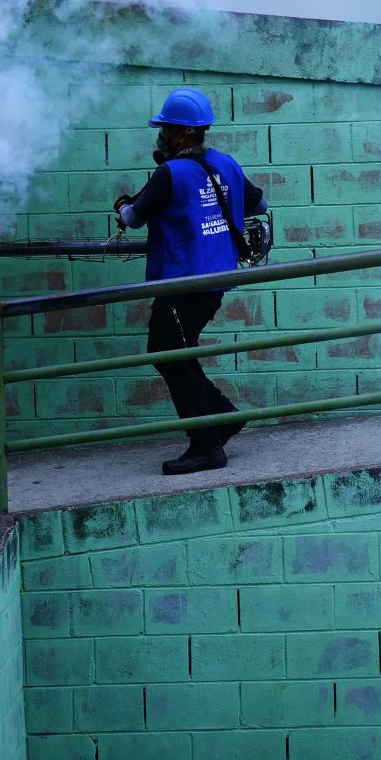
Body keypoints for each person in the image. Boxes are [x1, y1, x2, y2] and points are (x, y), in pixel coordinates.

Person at [114, 87, 269, 475]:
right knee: (174, 353)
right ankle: (222, 417)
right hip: (214, 281)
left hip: (182, 284)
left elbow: (133, 218)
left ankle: (206, 446)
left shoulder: (170, 173)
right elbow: (258, 204)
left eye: (166, 128)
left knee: (169, 353)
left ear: (183, 133)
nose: (162, 134)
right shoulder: (227, 163)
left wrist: (121, 204)